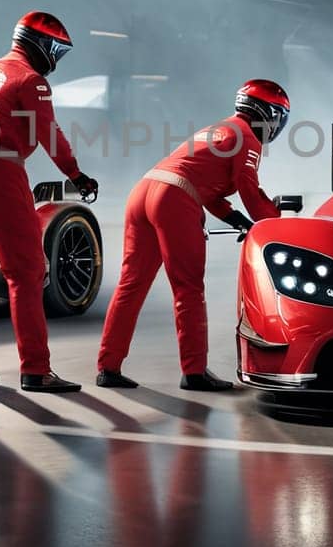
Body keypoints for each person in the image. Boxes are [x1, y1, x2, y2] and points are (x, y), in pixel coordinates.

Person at [96, 79, 290, 391]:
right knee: (188, 289)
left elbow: (208, 190)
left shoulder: (219, 129)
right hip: (173, 200)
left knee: (130, 286)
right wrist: (273, 217)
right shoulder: (247, 138)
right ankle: (194, 371)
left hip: (143, 192)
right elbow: (250, 192)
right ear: (268, 114)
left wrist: (235, 219)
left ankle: (108, 366)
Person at [0, 11, 99, 393]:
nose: (56, 63)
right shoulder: (31, 80)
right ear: (44, 47)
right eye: (56, 53)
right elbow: (50, 134)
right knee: (27, 272)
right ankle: (36, 369)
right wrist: (76, 175)